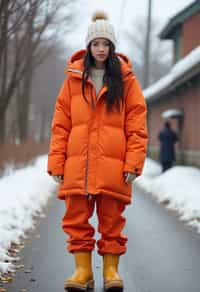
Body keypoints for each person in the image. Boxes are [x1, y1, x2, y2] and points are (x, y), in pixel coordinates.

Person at [47, 11, 148, 292]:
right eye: (96, 44)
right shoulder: (72, 80)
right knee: (76, 219)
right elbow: (61, 125)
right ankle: (82, 271)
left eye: (106, 44)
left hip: (113, 166)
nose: (101, 49)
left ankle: (111, 273)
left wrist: (133, 162)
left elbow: (137, 125)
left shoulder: (127, 81)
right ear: (88, 47)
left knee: (112, 221)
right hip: (77, 165)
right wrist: (57, 162)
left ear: (112, 47)